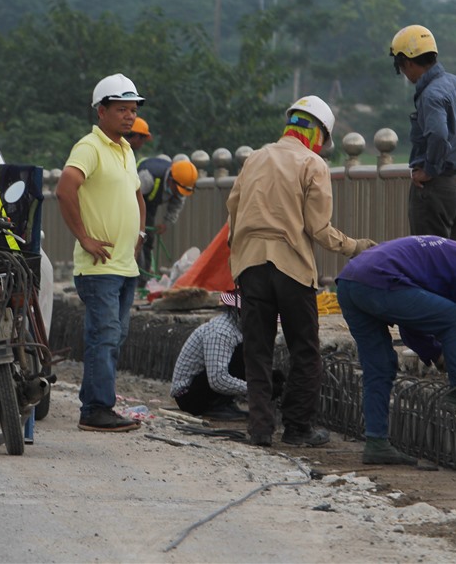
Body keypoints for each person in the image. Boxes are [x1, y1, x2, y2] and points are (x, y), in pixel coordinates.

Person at [227, 95, 376, 448]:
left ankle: (260, 429)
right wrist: (355, 246)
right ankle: (297, 428)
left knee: (257, 351)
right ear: (319, 134)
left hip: (250, 266)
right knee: (304, 350)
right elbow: (318, 229)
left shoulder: (254, 158)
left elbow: (232, 213)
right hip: (292, 269)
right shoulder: (313, 164)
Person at [336, 234, 456, 465]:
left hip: (350, 282)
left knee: (378, 365)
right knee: (453, 317)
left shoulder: (443, 258)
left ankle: (376, 443)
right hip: (377, 281)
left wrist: (436, 354)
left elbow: (411, 326)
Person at [55, 73, 147, 433]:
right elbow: (65, 189)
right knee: (104, 335)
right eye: (122, 109)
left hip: (125, 266)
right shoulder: (89, 148)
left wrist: (139, 232)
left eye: (133, 110)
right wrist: (85, 238)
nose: (129, 116)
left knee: (115, 336)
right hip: (99, 267)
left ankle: (98, 404)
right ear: (101, 111)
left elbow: (137, 194)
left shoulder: (125, 150)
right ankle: (95, 409)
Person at [390, 25, 456, 242]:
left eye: (400, 65)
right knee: (451, 261)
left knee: (429, 261)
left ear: (407, 62)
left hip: (434, 189)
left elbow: (438, 135)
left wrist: (430, 170)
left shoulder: (430, 95)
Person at [170, 290, 249, 420]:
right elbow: (217, 379)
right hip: (190, 396)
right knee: (242, 354)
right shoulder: (222, 331)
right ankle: (214, 406)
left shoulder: (239, 329)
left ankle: (223, 403)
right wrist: (254, 388)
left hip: (203, 386)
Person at [136, 157, 197, 282]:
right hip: (132, 202)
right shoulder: (147, 178)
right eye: (176, 190)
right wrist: (137, 225)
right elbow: (128, 198)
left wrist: (166, 223)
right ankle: (135, 277)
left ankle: (144, 280)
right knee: (138, 239)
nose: (177, 193)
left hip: (149, 204)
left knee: (148, 239)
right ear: (171, 180)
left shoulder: (181, 184)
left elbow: (176, 204)